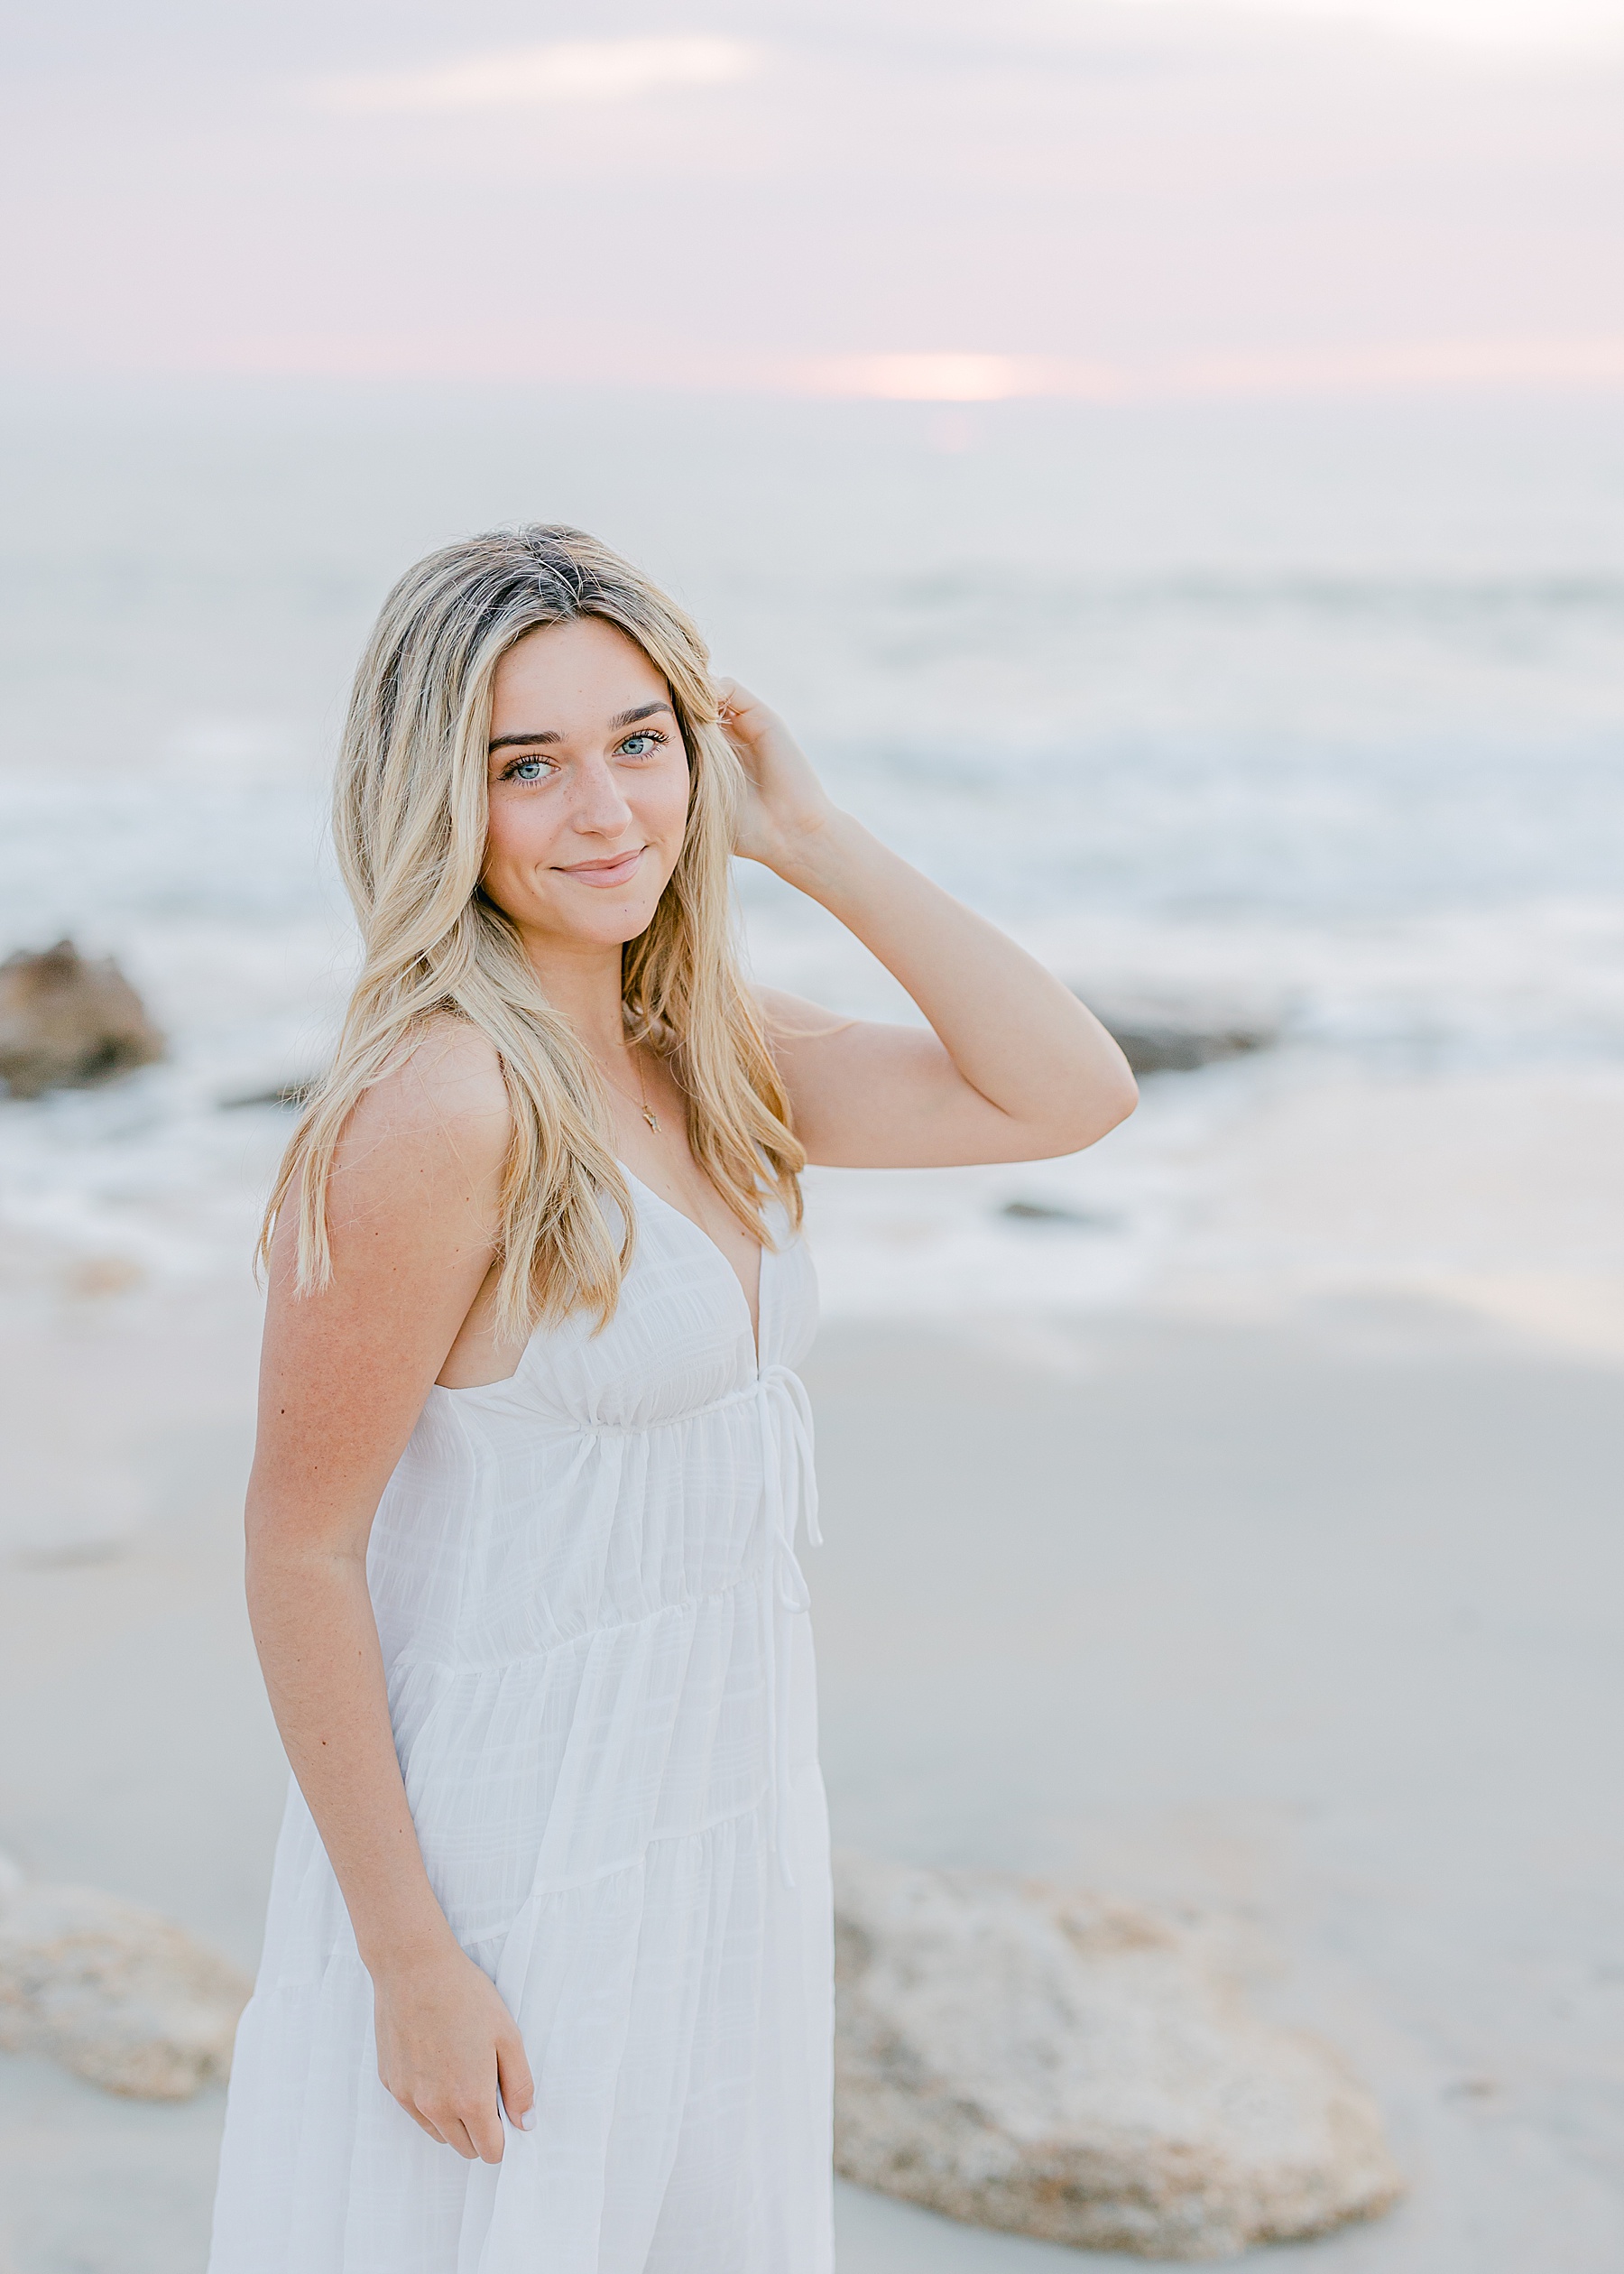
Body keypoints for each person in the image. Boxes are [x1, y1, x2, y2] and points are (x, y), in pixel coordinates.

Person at [208, 523, 1136, 2274]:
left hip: (719, 1816)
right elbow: (298, 1550)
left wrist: (818, 841)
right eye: (527, 766)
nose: (605, 810)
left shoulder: (712, 1047)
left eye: (641, 741)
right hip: (509, 1854)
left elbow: (1069, 1091)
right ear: (437, 800)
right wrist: (410, 1957)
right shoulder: (440, 1109)